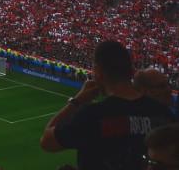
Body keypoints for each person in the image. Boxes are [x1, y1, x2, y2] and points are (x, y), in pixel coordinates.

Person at [40, 40, 173, 170]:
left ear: (98, 72)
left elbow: (47, 141)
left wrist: (77, 101)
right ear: (131, 71)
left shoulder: (91, 115)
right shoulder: (164, 114)